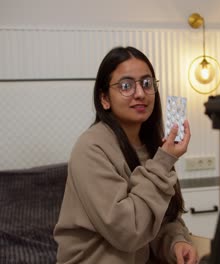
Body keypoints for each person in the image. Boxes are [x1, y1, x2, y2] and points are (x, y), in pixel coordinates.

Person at [54, 46, 198, 264]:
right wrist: (163, 162)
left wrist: (176, 242)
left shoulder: (152, 145)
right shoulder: (91, 148)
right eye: (126, 86)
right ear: (104, 99)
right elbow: (129, 231)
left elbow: (160, 215)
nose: (140, 93)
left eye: (147, 83)